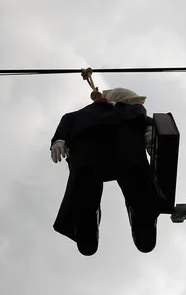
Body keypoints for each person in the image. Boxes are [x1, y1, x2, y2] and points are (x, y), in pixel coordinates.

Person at [50, 87, 170, 256]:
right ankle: (87, 220)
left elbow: (147, 123)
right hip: (94, 153)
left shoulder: (133, 111)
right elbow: (67, 122)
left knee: (137, 183)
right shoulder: (83, 114)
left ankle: (141, 214)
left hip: (121, 151)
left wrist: (150, 132)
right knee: (85, 189)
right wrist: (59, 139)